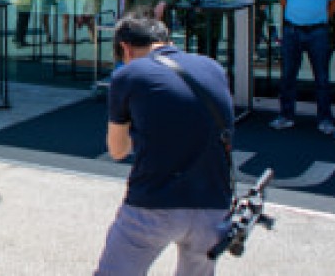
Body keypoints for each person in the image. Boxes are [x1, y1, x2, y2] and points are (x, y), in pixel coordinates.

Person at [96, 14, 233, 276]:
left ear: (125, 48)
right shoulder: (212, 67)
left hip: (153, 202)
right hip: (214, 205)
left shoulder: (129, 74)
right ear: (166, 40)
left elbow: (117, 150)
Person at [270, 0, 335, 135]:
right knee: (288, 76)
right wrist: (298, 14)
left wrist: (320, 17)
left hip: (318, 31)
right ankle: (286, 116)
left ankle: (325, 119)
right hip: (292, 31)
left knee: (322, 77)